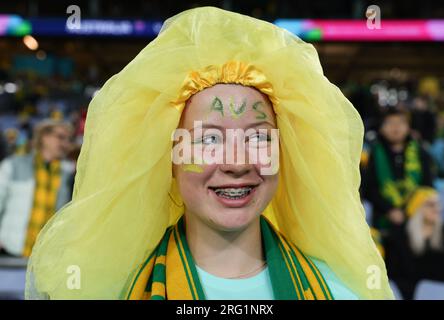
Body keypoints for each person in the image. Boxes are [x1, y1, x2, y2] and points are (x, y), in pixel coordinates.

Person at [25, 7, 393, 300]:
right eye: (209, 140)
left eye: (259, 138)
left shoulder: (340, 291)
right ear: (167, 156)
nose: (237, 163)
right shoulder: (103, 290)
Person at [0, 120, 75, 257]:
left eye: (69, 139)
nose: (66, 144)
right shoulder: (13, 165)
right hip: (11, 252)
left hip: (47, 259)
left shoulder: (69, 174)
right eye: (60, 137)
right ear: (44, 137)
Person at [362, 108, 435, 230]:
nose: (395, 127)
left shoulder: (421, 153)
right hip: (383, 218)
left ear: (408, 127)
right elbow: (369, 188)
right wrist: (390, 210)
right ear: (381, 128)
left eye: (401, 123)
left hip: (417, 217)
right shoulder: (373, 154)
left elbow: (427, 186)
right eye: (389, 123)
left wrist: (407, 211)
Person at [384, 187, 444, 299]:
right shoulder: (399, 237)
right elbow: (393, 275)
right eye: (430, 204)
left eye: (438, 204)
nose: (437, 208)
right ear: (417, 208)